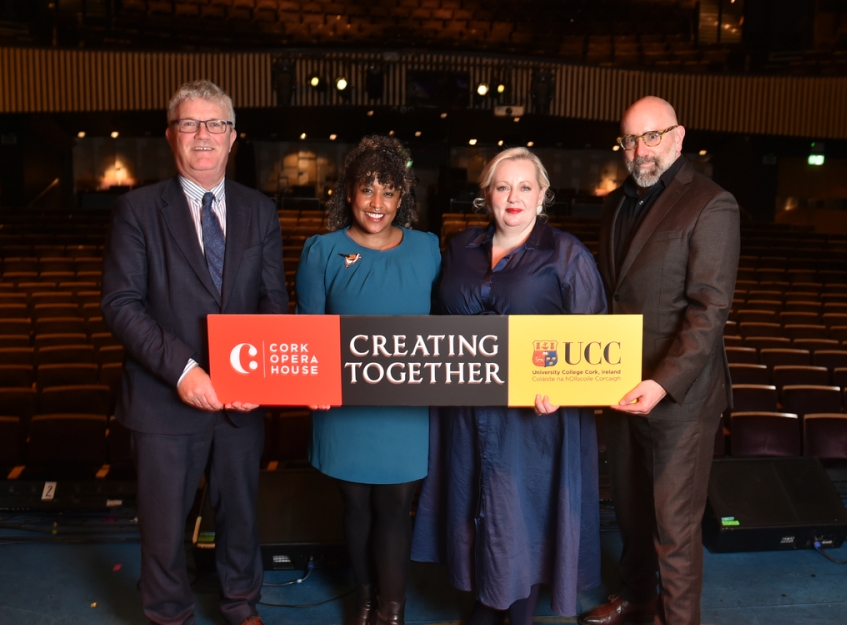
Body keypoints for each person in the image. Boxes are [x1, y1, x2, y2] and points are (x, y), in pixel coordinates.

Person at [100, 79, 287, 625]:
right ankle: (168, 614)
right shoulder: (136, 211)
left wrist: (260, 378)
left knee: (241, 517)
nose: (203, 135)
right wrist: (184, 370)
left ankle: (240, 606)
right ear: (171, 136)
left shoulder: (260, 210)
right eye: (190, 123)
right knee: (162, 528)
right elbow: (122, 303)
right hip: (164, 399)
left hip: (242, 404)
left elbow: (273, 299)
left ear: (233, 138)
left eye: (216, 124)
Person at [413, 147, 606, 625]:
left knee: (518, 515)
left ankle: (511, 614)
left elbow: (598, 341)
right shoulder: (459, 248)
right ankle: (484, 603)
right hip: (464, 412)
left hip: (534, 420)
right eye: (503, 186)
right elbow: (435, 323)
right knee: (469, 505)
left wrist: (564, 387)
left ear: (543, 196)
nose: (514, 196)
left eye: (525, 186)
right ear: (487, 195)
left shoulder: (567, 255)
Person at [577, 96, 739, 625]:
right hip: (618, 384)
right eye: (629, 139)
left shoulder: (712, 203)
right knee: (629, 510)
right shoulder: (615, 203)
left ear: (678, 136)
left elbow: (709, 310)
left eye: (651, 136)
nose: (639, 150)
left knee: (674, 525)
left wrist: (662, 383)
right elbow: (612, 296)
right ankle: (636, 597)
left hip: (680, 399)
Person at [295, 136, 441, 625]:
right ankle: (363, 600)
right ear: (349, 193)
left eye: (389, 191)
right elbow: (309, 330)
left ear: (404, 197)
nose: (377, 204)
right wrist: (312, 385)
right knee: (356, 507)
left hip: (405, 411)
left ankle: (391, 612)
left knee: (397, 508)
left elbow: (448, 329)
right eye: (367, 190)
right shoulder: (321, 250)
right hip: (344, 410)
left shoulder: (428, 249)